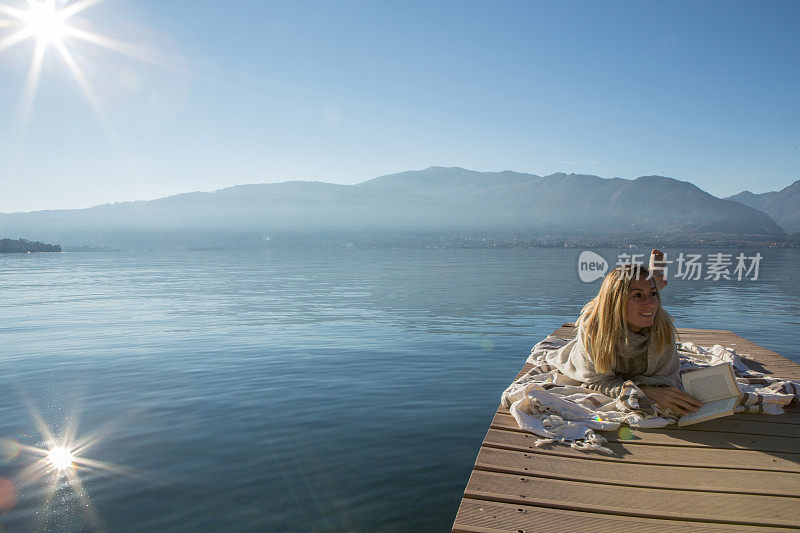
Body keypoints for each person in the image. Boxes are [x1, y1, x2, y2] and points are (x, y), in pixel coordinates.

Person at [545, 250, 703, 415]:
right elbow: (597, 381)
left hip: (619, 307)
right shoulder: (593, 329)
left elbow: (668, 376)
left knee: (644, 296)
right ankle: (653, 280)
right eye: (638, 296)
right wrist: (647, 392)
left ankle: (654, 281)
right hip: (608, 317)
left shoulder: (662, 326)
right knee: (601, 307)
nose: (650, 303)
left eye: (653, 294)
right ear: (619, 301)